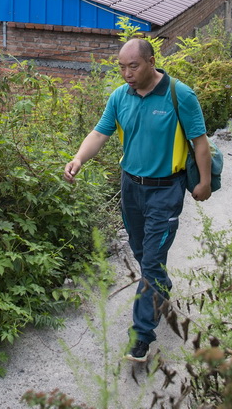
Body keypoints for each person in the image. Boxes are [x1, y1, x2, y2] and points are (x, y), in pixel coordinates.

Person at [63, 38, 212, 363]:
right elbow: (100, 133)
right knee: (144, 254)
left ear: (151, 61)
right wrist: (78, 159)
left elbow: (199, 141)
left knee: (151, 263)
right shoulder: (120, 97)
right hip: (130, 188)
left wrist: (205, 181)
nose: (127, 73)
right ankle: (160, 288)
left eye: (133, 66)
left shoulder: (179, 95)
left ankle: (141, 336)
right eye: (122, 67)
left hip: (165, 190)